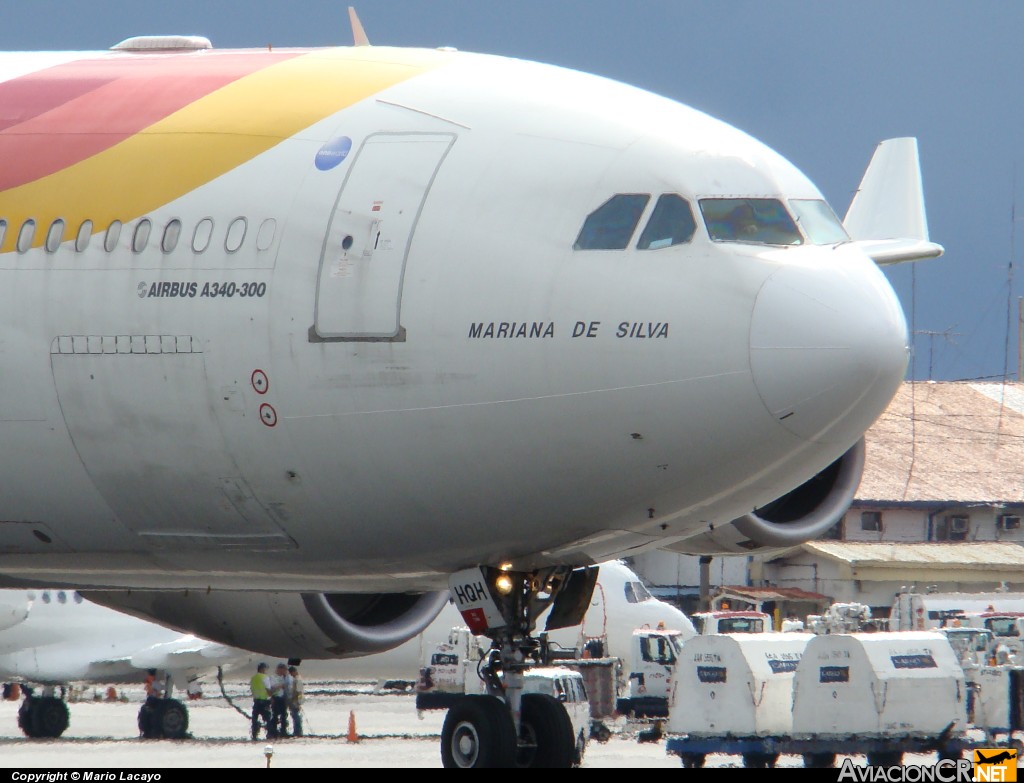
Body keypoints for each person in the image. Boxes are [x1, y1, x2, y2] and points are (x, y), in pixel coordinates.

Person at [250, 662, 273, 741]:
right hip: (264, 701)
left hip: (256, 701)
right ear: (263, 669)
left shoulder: (253, 678)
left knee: (255, 719)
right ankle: (269, 735)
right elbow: (268, 690)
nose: (266, 671)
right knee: (268, 719)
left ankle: (254, 734)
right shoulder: (265, 677)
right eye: (266, 669)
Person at [270, 662, 290, 738]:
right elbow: (271, 688)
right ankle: (273, 731)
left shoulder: (284, 677)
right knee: (275, 715)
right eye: (284, 670)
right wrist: (280, 686)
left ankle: (283, 731)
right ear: (279, 669)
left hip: (283, 698)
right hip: (276, 697)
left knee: (284, 715)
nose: (285, 672)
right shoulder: (273, 677)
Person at [287, 666, 304, 737]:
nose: (291, 675)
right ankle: (297, 731)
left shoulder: (297, 679)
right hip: (297, 699)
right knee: (295, 715)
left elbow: (298, 691)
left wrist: (296, 700)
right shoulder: (297, 679)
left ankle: (298, 731)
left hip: (296, 700)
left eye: (291, 673)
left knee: (295, 715)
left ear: (294, 672)